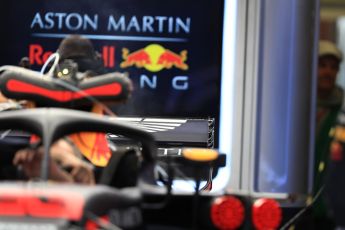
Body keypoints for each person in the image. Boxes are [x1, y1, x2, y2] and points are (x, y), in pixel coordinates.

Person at [312, 40, 343, 228]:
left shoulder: (342, 109)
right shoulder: (297, 104)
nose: (327, 72)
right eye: (322, 65)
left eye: (333, 67)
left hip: (331, 206)